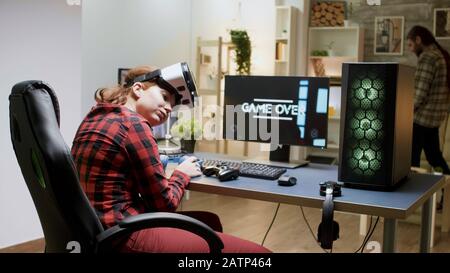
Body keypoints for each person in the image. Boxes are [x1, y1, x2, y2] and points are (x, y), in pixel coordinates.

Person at [71, 65, 270, 253]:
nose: (168, 108)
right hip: (122, 236)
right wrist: (181, 174)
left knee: (209, 221)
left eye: (172, 106)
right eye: (164, 97)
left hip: (95, 231)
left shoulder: (95, 116)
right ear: (138, 89)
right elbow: (164, 205)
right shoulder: (134, 124)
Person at [407, 26, 450, 209]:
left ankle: (410, 198)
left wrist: (404, 112)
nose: (410, 48)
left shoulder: (428, 58)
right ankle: (445, 192)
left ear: (418, 40)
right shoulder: (440, 55)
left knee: (411, 160)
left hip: (421, 119)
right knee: (435, 159)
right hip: (434, 118)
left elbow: (419, 93)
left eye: (410, 44)